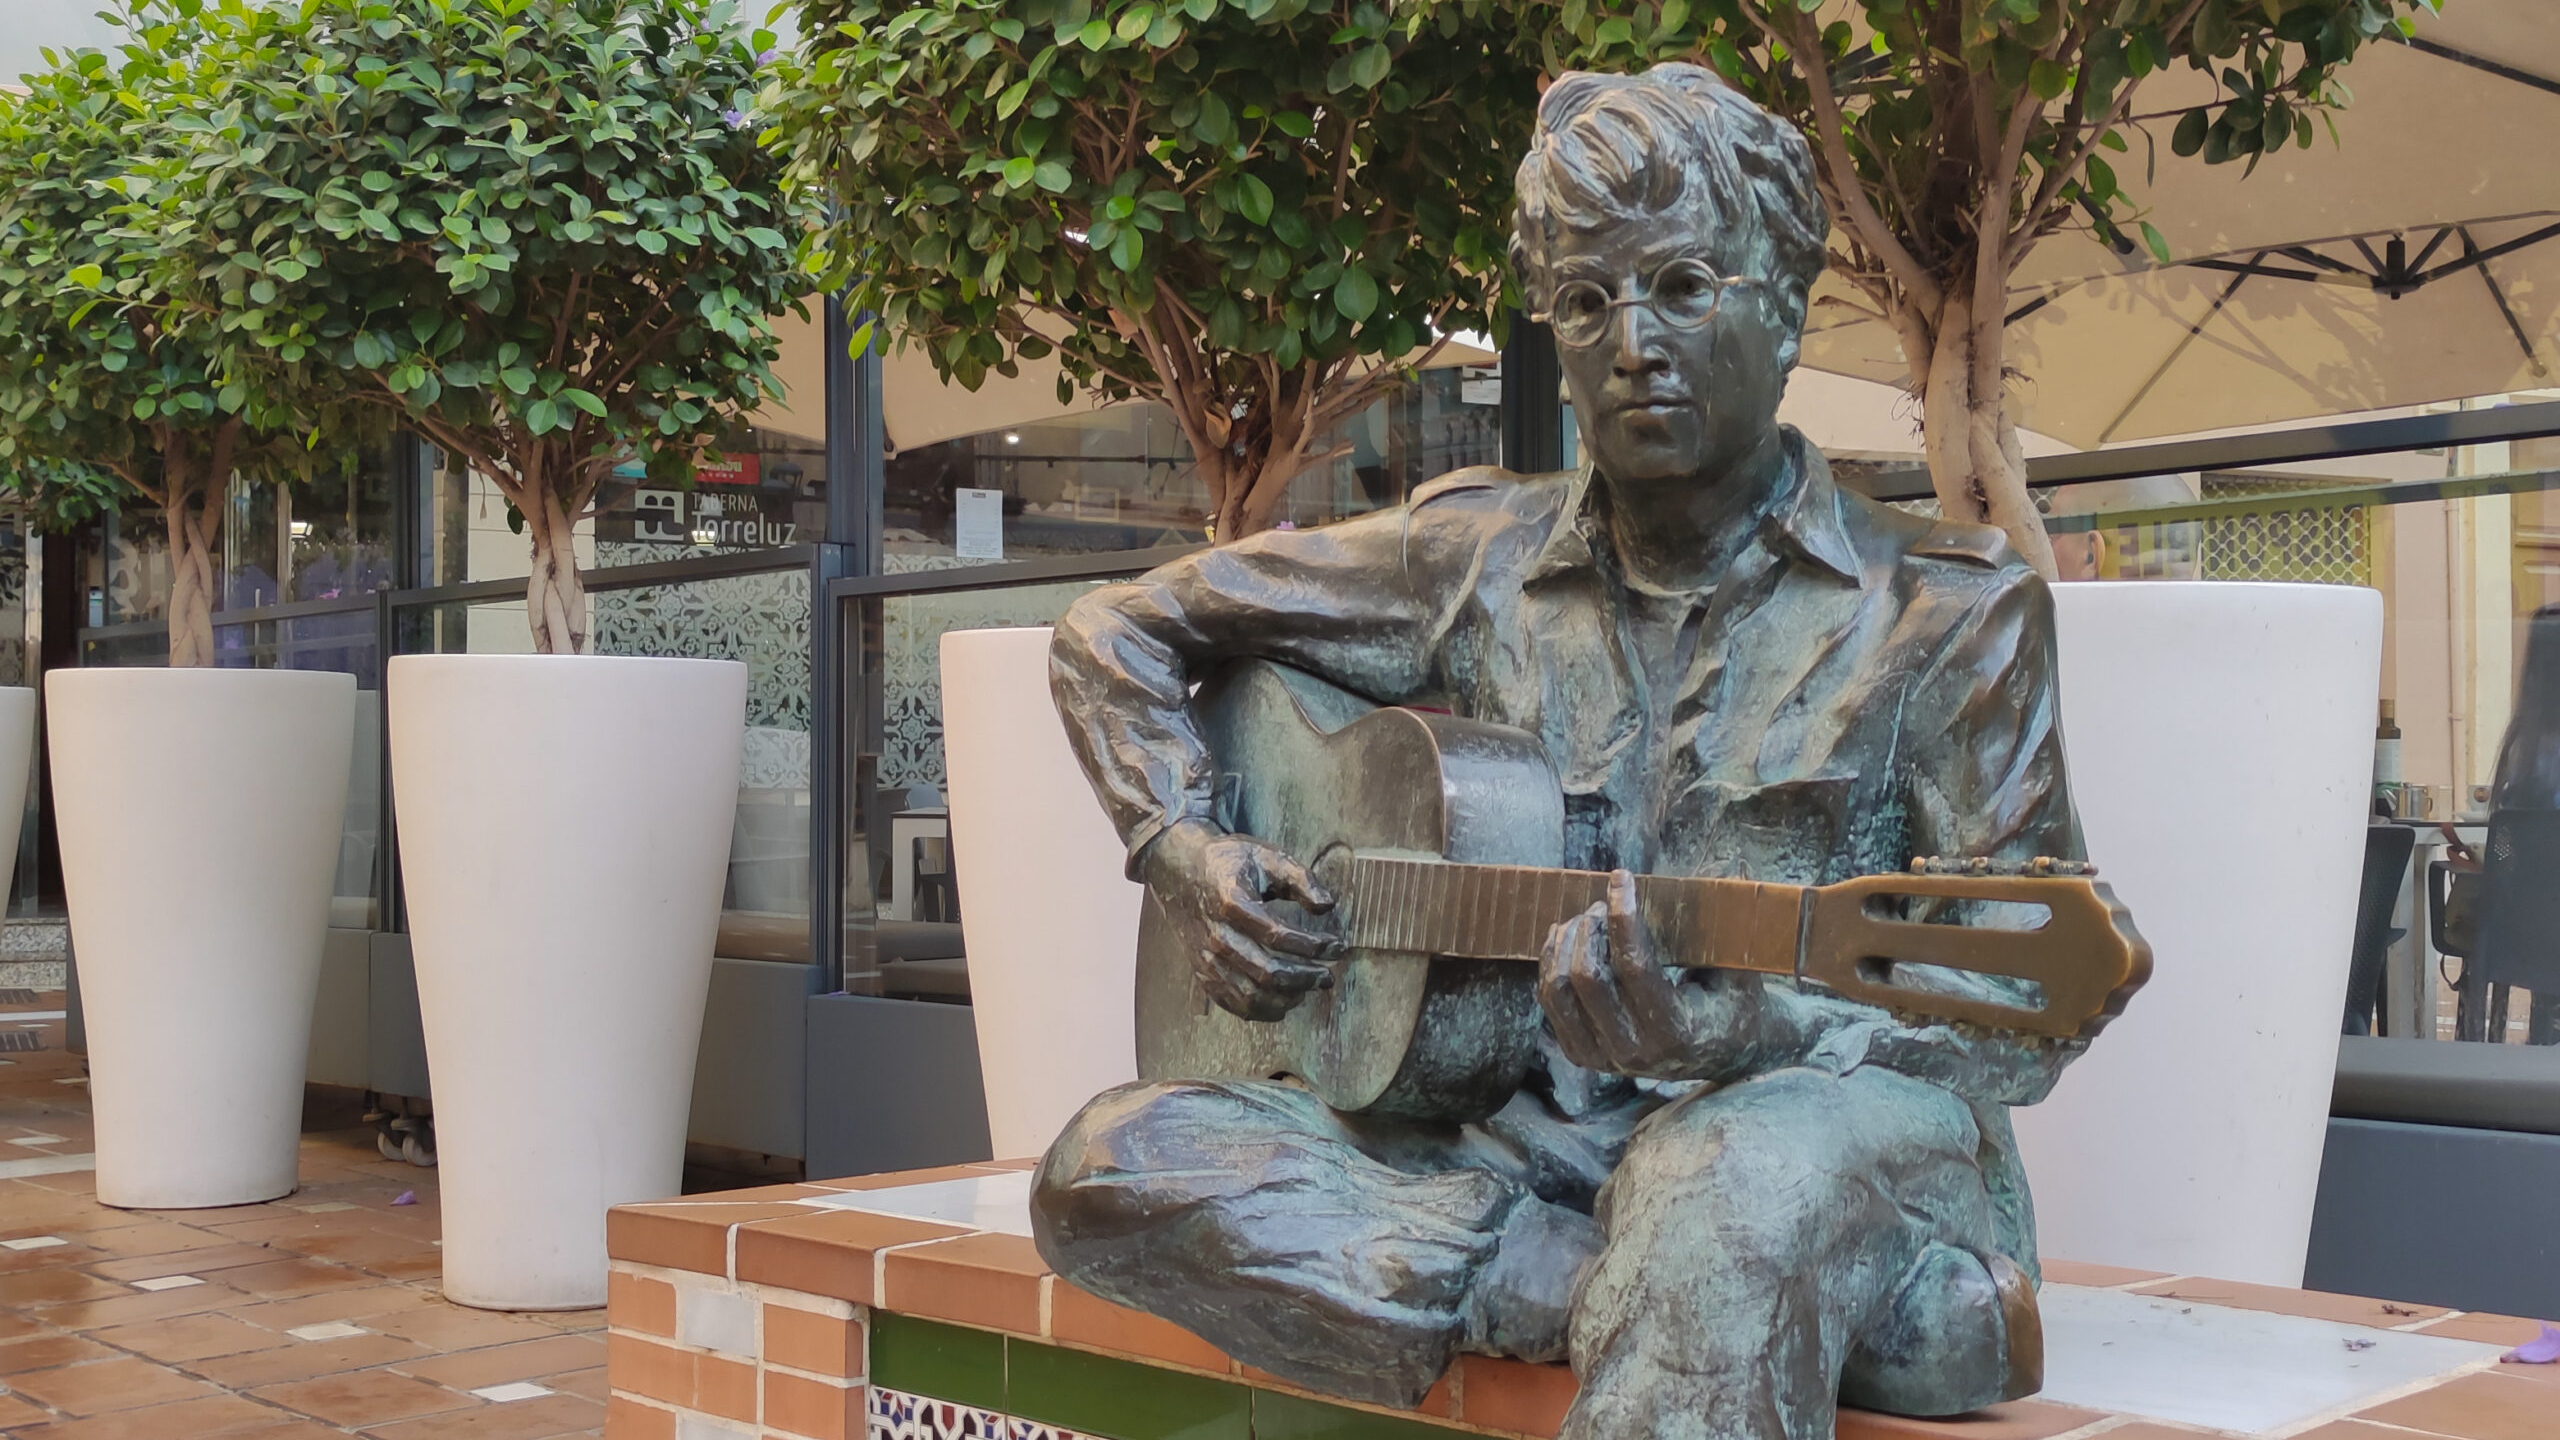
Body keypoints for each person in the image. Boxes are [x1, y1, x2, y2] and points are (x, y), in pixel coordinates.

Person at [1034, 64, 2093, 1440]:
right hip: (1517, 1149)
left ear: (1782, 302)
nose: (1632, 340)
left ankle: (1716, 1271)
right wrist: (1188, 854)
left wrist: (1750, 1027)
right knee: (1113, 1167)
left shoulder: (1949, 614)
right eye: (1589, 302)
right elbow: (1114, 632)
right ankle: (1716, 1300)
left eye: (1683, 287)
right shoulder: (1465, 555)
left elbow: (2018, 1008)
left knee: (1722, 1184)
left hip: (1815, 1124)